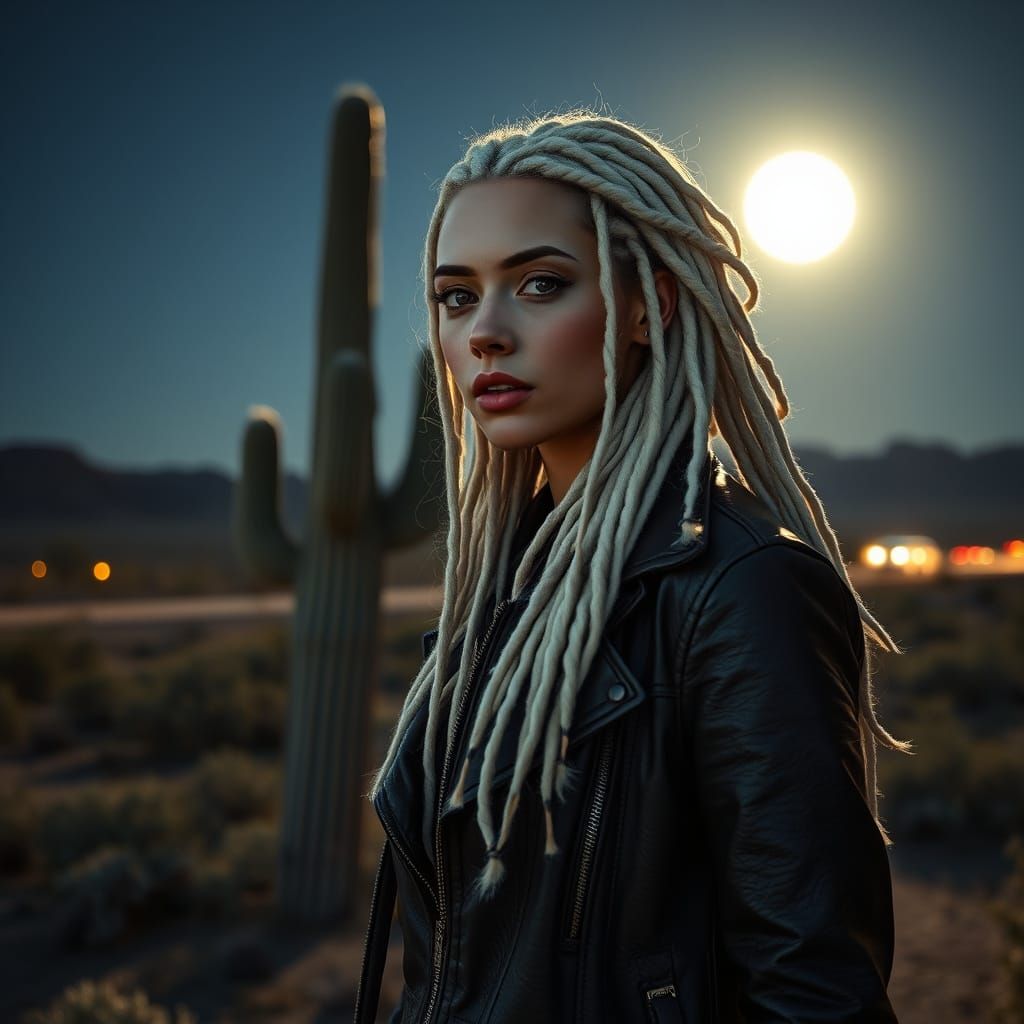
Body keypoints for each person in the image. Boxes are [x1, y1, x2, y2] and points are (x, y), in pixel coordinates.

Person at [353, 109, 908, 1024]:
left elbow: (813, 991)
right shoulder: (506, 592)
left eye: (540, 284)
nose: (485, 332)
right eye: (456, 296)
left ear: (651, 304)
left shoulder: (742, 589)